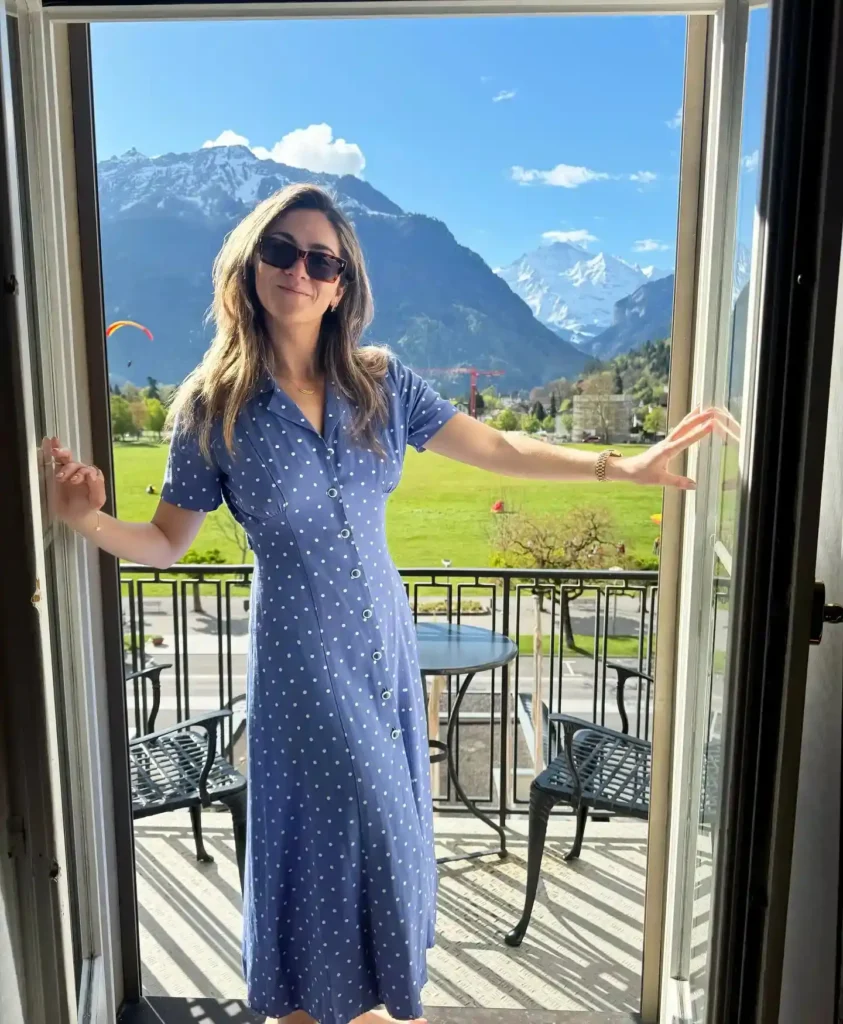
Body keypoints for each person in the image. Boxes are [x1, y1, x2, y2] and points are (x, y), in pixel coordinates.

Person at [49, 183, 717, 1024]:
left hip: (386, 650)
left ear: (341, 284)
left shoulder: (380, 383)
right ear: (251, 265)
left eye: (320, 259)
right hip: (302, 661)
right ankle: (337, 1006)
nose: (299, 269)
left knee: (378, 834)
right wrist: (87, 521)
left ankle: (351, 1005)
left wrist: (618, 467)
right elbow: (166, 541)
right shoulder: (209, 408)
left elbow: (498, 447)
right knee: (346, 830)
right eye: (281, 250)